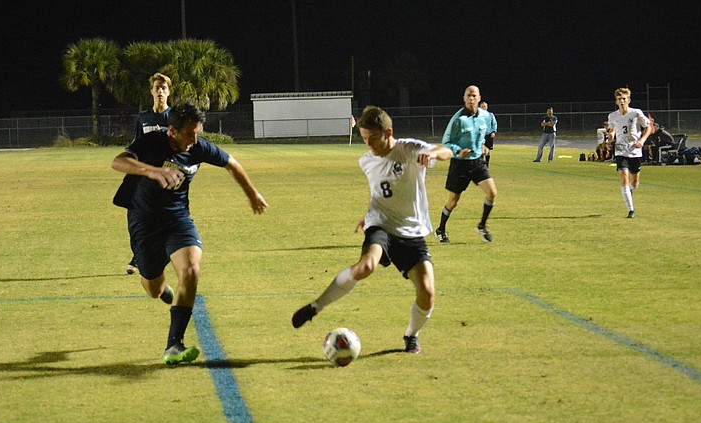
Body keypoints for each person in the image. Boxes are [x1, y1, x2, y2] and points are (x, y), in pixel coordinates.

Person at [111, 102, 268, 365]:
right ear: (172, 131)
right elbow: (118, 162)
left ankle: (174, 345)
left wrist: (253, 194)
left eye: (198, 133)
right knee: (153, 288)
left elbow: (232, 163)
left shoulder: (198, 147)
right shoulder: (151, 143)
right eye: (189, 134)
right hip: (145, 224)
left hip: (178, 220)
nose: (195, 140)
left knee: (192, 270)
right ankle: (161, 290)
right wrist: (153, 170)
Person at [291, 106, 452, 354]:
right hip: (381, 225)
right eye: (364, 139)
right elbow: (378, 191)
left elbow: (447, 150)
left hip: (411, 231)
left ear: (388, 132)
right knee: (366, 266)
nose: (369, 145)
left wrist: (432, 155)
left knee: (427, 292)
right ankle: (316, 306)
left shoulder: (409, 149)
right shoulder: (366, 161)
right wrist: (368, 214)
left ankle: (411, 335)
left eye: (373, 139)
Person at [434, 85, 498, 244]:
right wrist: (458, 151)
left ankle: (482, 226)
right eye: (468, 95)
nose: (471, 98)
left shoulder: (485, 116)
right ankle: (440, 229)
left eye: (474, 95)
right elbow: (446, 142)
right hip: (460, 164)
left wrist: (482, 144)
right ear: (464, 98)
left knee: (492, 192)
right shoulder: (458, 119)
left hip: (477, 162)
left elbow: (482, 133)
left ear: (479, 97)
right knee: (453, 201)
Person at [127, 72, 173, 275]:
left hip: (165, 178)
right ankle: (137, 256)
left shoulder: (173, 118)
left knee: (162, 220)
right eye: (157, 88)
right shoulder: (143, 118)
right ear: (152, 91)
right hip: (144, 177)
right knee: (135, 218)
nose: (160, 91)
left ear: (169, 92)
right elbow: (137, 146)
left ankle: (162, 255)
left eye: (164, 88)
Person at [606, 87, 651, 218]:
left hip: (635, 150)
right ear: (616, 101)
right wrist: (610, 138)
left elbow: (648, 127)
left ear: (629, 100)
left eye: (624, 99)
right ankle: (631, 210)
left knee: (635, 183)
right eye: (619, 99)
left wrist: (642, 140)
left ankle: (629, 190)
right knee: (624, 177)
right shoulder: (613, 116)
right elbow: (612, 129)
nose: (622, 101)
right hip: (620, 149)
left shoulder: (636, 113)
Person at [480, 101, 497, 165]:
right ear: (480, 107)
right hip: (480, 135)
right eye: (482, 106)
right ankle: (480, 164)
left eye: (485, 106)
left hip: (488, 135)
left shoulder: (490, 115)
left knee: (488, 150)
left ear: (487, 107)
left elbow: (494, 123)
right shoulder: (477, 115)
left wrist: (493, 131)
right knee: (480, 150)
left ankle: (487, 164)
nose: (483, 107)